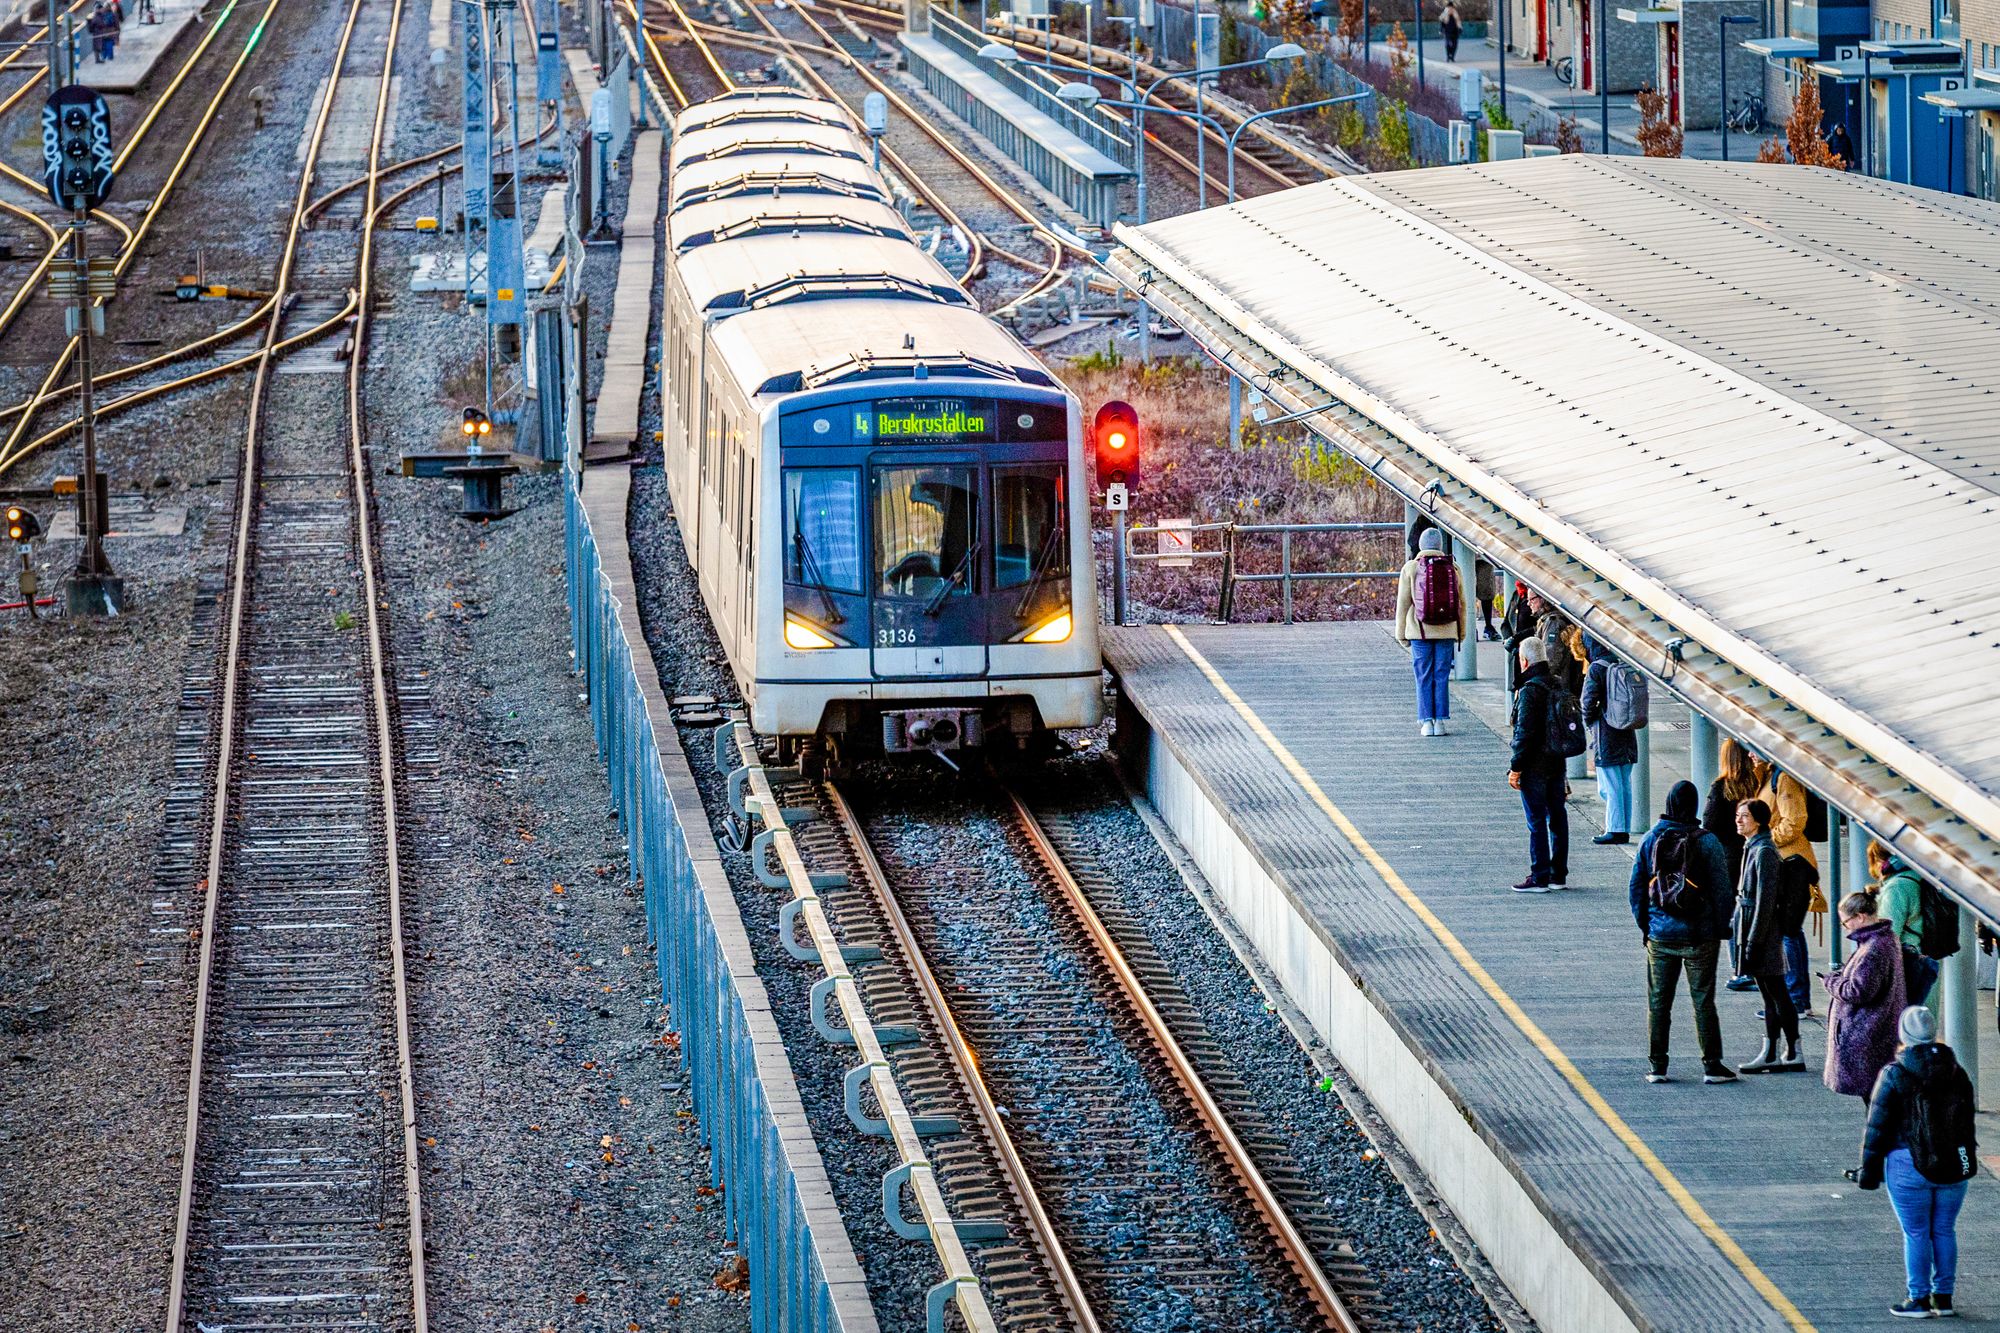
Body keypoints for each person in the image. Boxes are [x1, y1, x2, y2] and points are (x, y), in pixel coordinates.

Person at [1854, 1005, 1977, 1319]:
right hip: (1952, 1165)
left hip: (1907, 1164)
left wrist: (1868, 1173)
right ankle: (1944, 1298)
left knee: (1917, 1233)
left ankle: (1918, 1299)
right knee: (1945, 1230)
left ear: (1903, 1035)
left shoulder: (1894, 1073)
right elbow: (1966, 1121)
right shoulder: (1957, 1071)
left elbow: (1876, 1129)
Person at [1630, 781, 1736, 1083]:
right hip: (1699, 936)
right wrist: (1719, 927)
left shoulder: (1651, 838)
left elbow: (1636, 888)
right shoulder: (1707, 842)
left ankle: (1657, 1066)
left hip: (1660, 936)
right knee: (1703, 1001)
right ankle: (1712, 1065)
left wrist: (1647, 926)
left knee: (1658, 1002)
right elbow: (1721, 891)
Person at [1734, 799, 1805, 1073]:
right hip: (1756, 926)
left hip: (1762, 930)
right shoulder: (1753, 846)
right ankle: (1783, 1051)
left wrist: (1754, 940)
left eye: (1744, 816)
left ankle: (1778, 1051)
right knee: (1771, 992)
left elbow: (1765, 900)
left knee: (1775, 991)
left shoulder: (1763, 851)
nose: (1739, 820)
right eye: (1737, 816)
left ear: (1759, 820)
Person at [1825, 890, 1907, 1105]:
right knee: (1878, 1100)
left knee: (1875, 1101)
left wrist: (1831, 981)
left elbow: (1858, 991)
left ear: (1860, 916)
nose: (1846, 928)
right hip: (1878, 1031)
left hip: (1869, 1034)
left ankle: (1879, 1139)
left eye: (1846, 922)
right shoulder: (1885, 939)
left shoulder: (1873, 949)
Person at [1754, 763, 1818, 1015]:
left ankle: (1796, 999)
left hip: (1792, 863)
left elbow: (1795, 820)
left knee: (1786, 931)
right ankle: (1796, 997)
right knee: (1789, 930)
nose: (1749, 753)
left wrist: (1766, 838)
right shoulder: (1770, 775)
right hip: (1784, 861)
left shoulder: (1784, 778)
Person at [1703, 738, 1766, 991]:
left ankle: (1740, 969)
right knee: (1756, 909)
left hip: (1729, 858)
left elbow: (1708, 825)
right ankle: (1754, 965)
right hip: (1755, 853)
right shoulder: (1757, 784)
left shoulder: (1721, 788)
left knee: (1735, 913)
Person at [1394, 527, 1468, 738]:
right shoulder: (1453, 567)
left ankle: (1426, 722)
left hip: (1420, 631)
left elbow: (1403, 604)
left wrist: (1401, 634)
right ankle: (1441, 721)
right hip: (1446, 631)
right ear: (1440, 546)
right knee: (1441, 675)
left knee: (1423, 675)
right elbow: (1462, 604)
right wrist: (1461, 632)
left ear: (1420, 545)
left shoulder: (1411, 568)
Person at [1509, 636, 1569, 893]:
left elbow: (1524, 734)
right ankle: (1558, 874)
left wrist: (1516, 767)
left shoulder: (1530, 691)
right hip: (1557, 762)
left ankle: (1539, 875)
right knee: (1557, 817)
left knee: (1536, 821)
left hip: (1535, 766)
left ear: (1524, 661)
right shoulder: (1558, 685)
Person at [1580, 637, 1639, 845]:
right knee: (1623, 783)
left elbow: (1587, 702)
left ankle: (1614, 829)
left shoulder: (1596, 668)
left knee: (1609, 786)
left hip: (1606, 733)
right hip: (1627, 731)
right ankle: (1623, 827)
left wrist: (1589, 722)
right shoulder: (1619, 662)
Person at [1875, 843, 1938, 1007]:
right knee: (1922, 1019)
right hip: (1926, 954)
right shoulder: (1920, 876)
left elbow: (1888, 933)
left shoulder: (1897, 887)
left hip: (1907, 959)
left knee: (1904, 1019)